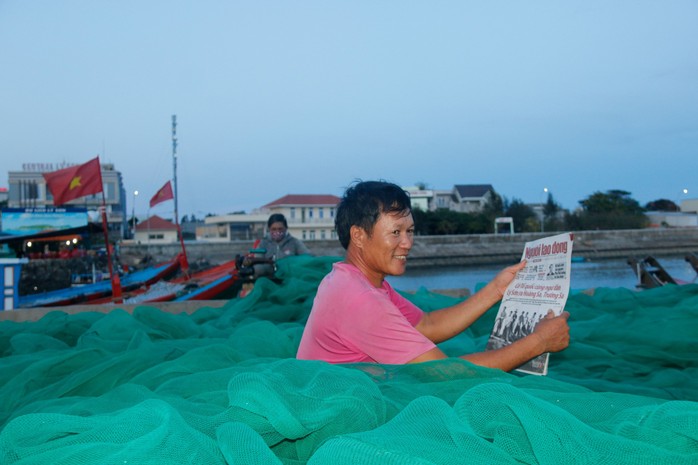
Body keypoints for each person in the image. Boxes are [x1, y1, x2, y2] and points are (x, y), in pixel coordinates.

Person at [297, 181, 570, 371]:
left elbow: (426, 324)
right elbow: (445, 375)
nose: (407, 242)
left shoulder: (353, 279)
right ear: (358, 235)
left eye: (410, 231)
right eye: (395, 232)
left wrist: (497, 289)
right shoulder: (360, 298)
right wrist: (538, 343)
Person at [238, 213, 311, 296]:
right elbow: (258, 264)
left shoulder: (294, 243)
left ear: (286, 228)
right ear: (269, 229)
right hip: (268, 282)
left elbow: (307, 258)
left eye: (280, 229)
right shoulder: (263, 244)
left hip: (289, 283)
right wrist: (251, 270)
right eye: (274, 229)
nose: (277, 232)